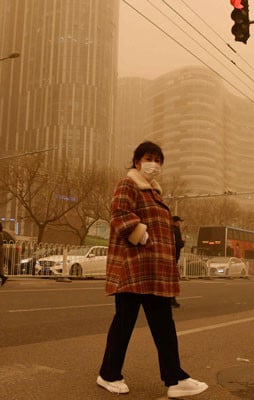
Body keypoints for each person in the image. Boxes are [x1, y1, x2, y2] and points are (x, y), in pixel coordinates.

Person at [97, 141, 208, 398]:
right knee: (130, 323)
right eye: (149, 158)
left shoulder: (154, 193)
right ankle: (112, 375)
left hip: (153, 271)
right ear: (137, 161)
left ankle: (173, 378)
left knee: (159, 324)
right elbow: (118, 214)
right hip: (134, 267)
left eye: (158, 160)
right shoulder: (129, 184)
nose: (154, 164)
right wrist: (142, 235)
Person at [170, 216, 184, 308]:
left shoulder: (168, 229)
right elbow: (178, 244)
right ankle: (171, 299)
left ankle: (171, 299)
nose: (180, 223)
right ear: (175, 222)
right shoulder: (176, 230)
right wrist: (183, 242)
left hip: (169, 257)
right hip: (173, 257)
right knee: (172, 279)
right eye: (179, 221)